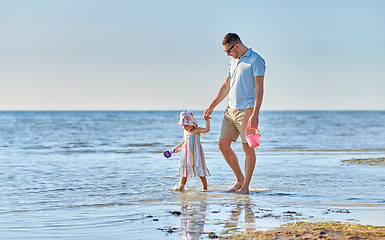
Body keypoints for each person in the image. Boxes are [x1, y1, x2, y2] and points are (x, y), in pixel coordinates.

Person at [204, 33, 265, 194]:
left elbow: (260, 89)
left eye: (228, 51)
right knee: (223, 146)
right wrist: (212, 105)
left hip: (247, 111)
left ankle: (245, 187)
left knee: (248, 149)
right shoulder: (233, 60)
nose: (227, 54)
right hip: (230, 111)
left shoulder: (256, 60)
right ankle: (239, 179)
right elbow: (226, 85)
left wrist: (255, 114)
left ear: (236, 45)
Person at [172, 111, 211, 191]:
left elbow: (207, 129)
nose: (185, 127)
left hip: (196, 153)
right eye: (183, 126)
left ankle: (205, 189)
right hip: (186, 153)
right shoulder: (186, 131)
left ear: (192, 123)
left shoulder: (197, 130)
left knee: (201, 172)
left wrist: (207, 120)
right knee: (184, 172)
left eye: (187, 125)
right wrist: (177, 147)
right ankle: (181, 188)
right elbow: (184, 141)